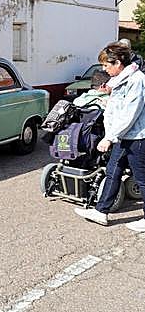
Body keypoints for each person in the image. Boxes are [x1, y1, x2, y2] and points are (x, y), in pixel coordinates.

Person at [74, 43, 145, 229]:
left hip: (137, 137)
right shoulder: (122, 77)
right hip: (124, 137)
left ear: (118, 62)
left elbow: (130, 113)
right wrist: (108, 92)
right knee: (112, 172)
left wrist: (109, 137)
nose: (104, 69)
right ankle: (101, 212)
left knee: (141, 179)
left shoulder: (137, 80)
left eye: (106, 65)